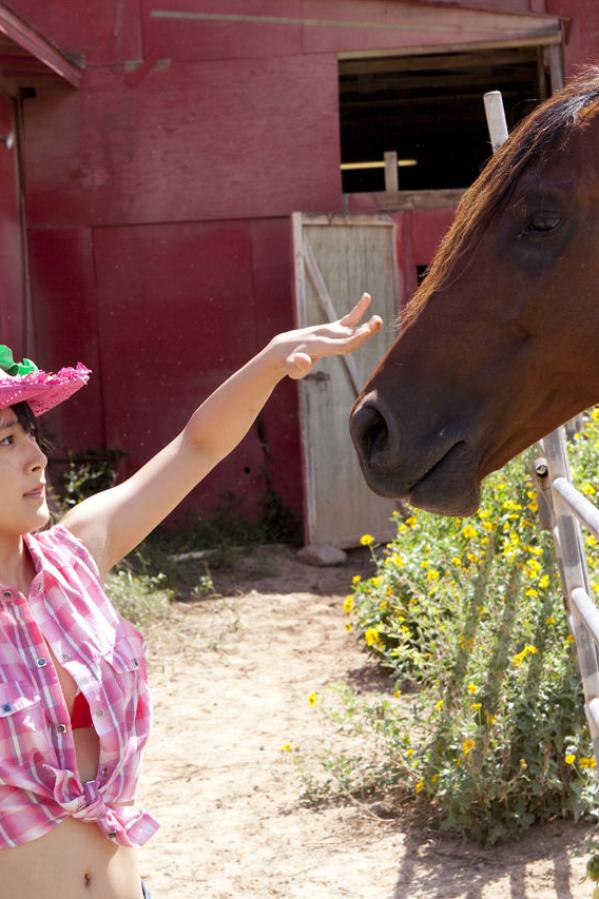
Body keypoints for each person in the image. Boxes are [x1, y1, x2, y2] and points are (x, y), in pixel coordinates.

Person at [0, 293, 382, 899]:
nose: (37, 459)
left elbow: (195, 448)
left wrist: (272, 359)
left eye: (29, 436)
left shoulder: (73, 559)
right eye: (5, 443)